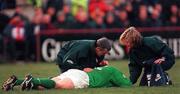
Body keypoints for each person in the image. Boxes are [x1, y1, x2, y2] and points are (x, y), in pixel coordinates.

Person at [2, 66, 132, 91]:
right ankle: (32, 80)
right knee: (58, 86)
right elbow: (127, 85)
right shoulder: (113, 70)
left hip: (74, 72)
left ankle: (16, 81)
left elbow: (87, 69)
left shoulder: (97, 69)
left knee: (47, 86)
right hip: (83, 79)